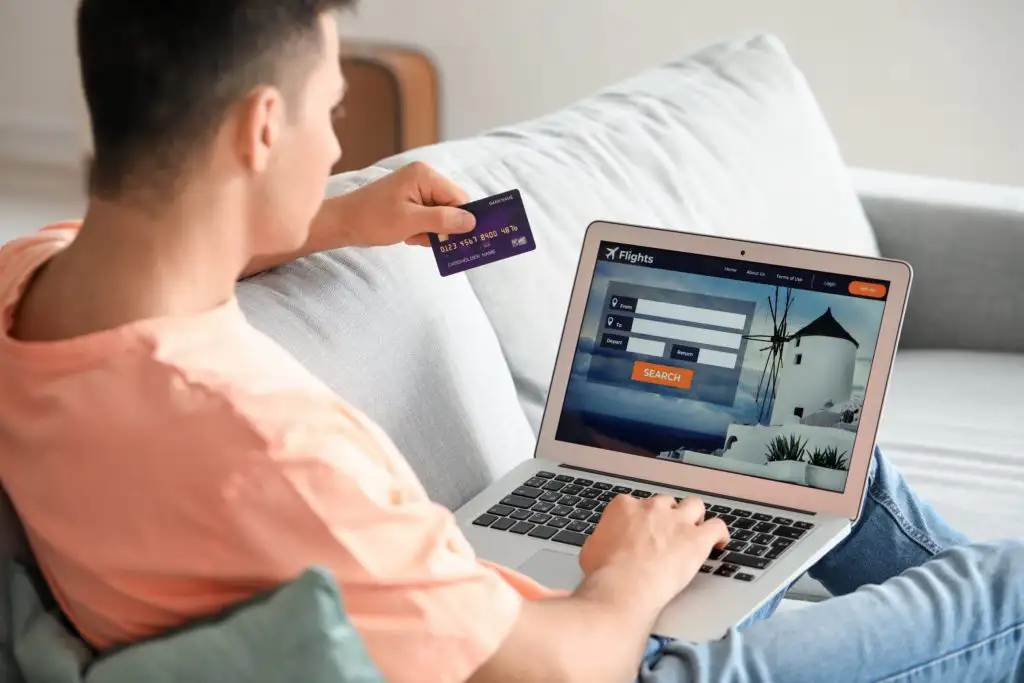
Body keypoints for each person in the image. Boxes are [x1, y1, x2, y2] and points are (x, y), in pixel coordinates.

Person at [0, 2, 1020, 682]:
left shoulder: (29, 287)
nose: (338, 149)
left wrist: (338, 217)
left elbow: (123, 243)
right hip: (597, 655)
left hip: (474, 612)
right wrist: (629, 567)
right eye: (330, 112)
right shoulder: (268, 445)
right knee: (1001, 584)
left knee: (808, 461)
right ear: (262, 129)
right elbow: (567, 658)